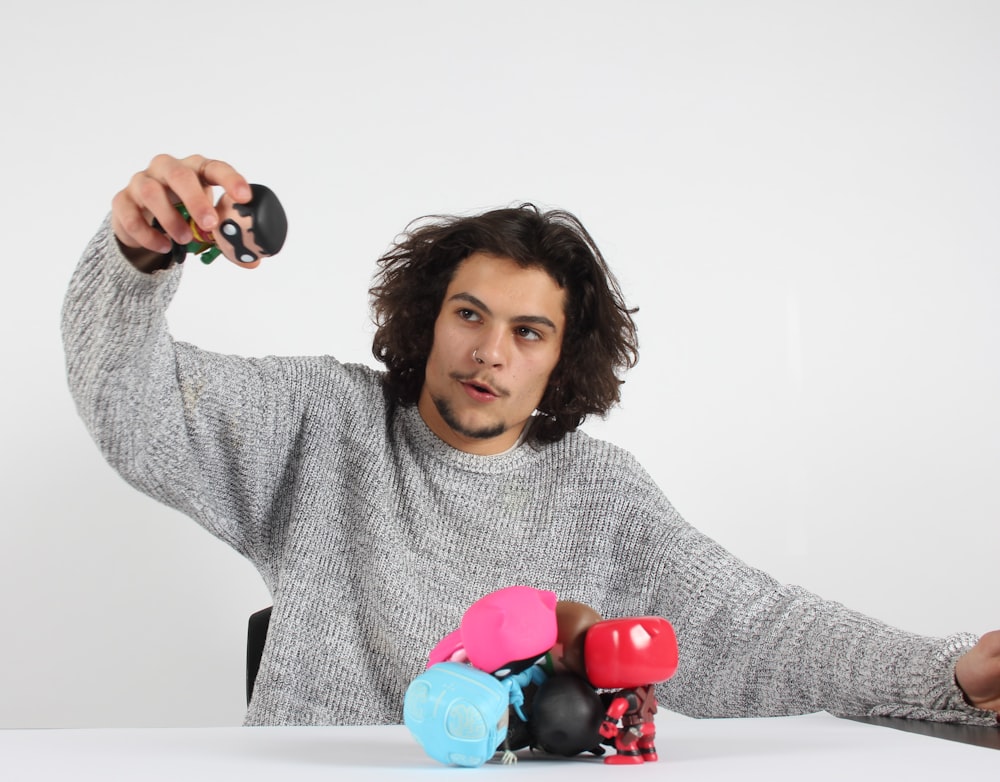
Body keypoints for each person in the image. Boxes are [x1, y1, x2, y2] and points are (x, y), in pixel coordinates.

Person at [63, 153, 1000, 728]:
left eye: (528, 332)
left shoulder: (601, 494)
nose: (489, 353)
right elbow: (135, 407)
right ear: (427, 319)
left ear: (562, 360)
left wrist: (945, 672)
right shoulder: (323, 421)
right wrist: (139, 261)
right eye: (469, 314)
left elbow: (749, 628)